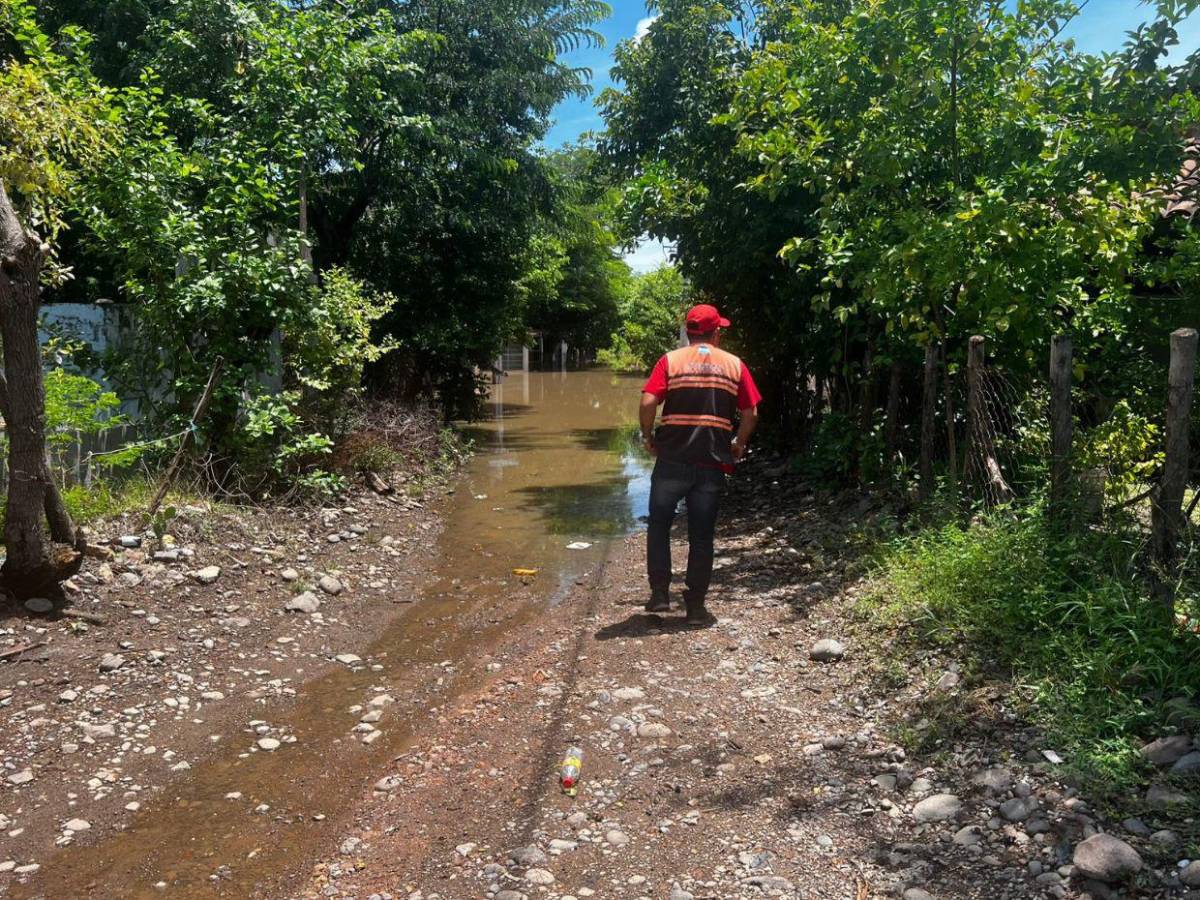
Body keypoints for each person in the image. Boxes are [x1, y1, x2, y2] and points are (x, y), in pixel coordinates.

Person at [639, 303, 761, 625]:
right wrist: (739, 443)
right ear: (716, 332)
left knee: (659, 524)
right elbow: (751, 414)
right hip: (711, 462)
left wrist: (647, 436)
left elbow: (648, 401)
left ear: (688, 331)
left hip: (672, 459)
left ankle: (660, 595)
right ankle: (695, 607)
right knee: (702, 535)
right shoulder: (735, 365)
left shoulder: (670, 361)